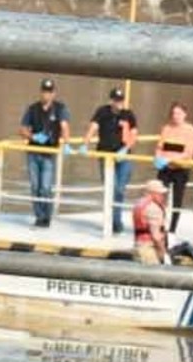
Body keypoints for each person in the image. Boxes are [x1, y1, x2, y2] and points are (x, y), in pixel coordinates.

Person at [83, 87, 138, 234]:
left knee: (119, 189)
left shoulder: (128, 115)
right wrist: (85, 144)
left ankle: (115, 221)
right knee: (111, 188)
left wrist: (126, 149)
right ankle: (115, 223)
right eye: (116, 100)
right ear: (111, 100)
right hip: (106, 156)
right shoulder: (103, 111)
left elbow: (134, 134)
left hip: (123, 156)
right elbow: (93, 127)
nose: (119, 103)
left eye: (121, 100)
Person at [18, 78, 71, 228]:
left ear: (54, 93)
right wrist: (33, 136)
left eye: (49, 92)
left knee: (45, 187)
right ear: (40, 92)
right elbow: (22, 129)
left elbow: (65, 126)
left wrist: (66, 143)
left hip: (49, 153)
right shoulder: (32, 109)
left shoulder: (60, 109)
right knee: (35, 186)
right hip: (33, 152)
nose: (46, 95)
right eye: (44, 92)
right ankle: (39, 216)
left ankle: (47, 216)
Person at [153, 102, 193, 234]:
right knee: (159, 196)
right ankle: (159, 225)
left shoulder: (190, 130)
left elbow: (188, 151)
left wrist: (172, 159)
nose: (175, 116)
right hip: (165, 168)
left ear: (185, 114)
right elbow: (160, 147)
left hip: (181, 169)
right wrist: (157, 157)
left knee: (177, 199)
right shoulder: (166, 128)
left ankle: (172, 229)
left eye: (178, 113)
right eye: (173, 113)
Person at [132, 179, 169, 265]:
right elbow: (156, 237)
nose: (163, 196)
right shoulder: (154, 209)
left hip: (138, 246)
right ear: (151, 193)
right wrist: (163, 253)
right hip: (149, 249)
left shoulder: (139, 204)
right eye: (160, 194)